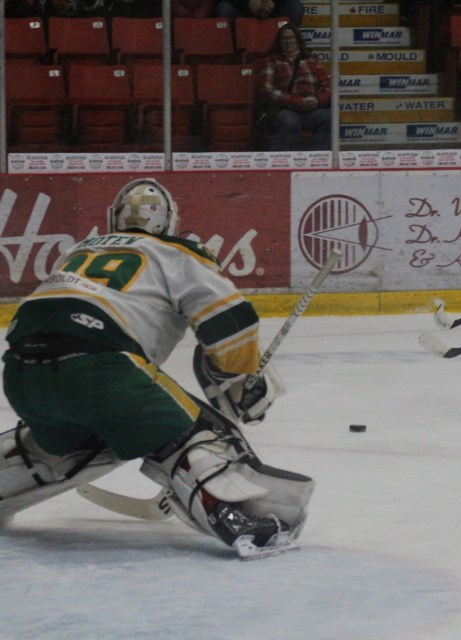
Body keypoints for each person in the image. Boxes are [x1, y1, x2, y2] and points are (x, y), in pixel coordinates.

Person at [0, 178, 314, 558]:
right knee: (195, 432)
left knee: (75, 442)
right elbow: (230, 324)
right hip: (101, 368)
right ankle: (235, 515)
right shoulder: (178, 251)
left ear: (114, 219)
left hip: (20, 372)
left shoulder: (78, 250)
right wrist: (243, 381)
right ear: (170, 221)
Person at [258, 24, 333, 151]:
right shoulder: (272, 61)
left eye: (291, 38)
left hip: (311, 110)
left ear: (298, 40)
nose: (288, 42)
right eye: (284, 39)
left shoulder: (311, 61)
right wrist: (297, 101)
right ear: (279, 42)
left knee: (329, 117)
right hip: (286, 109)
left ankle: (319, 159)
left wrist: (318, 100)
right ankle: (281, 160)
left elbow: (328, 85)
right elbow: (267, 90)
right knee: (289, 121)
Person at [215, 0, 304, 28]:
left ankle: (290, 42)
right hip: (242, 10)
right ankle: (233, 47)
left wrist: (273, 2)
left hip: (274, 9)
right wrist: (248, 3)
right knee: (224, 8)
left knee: (295, 7)